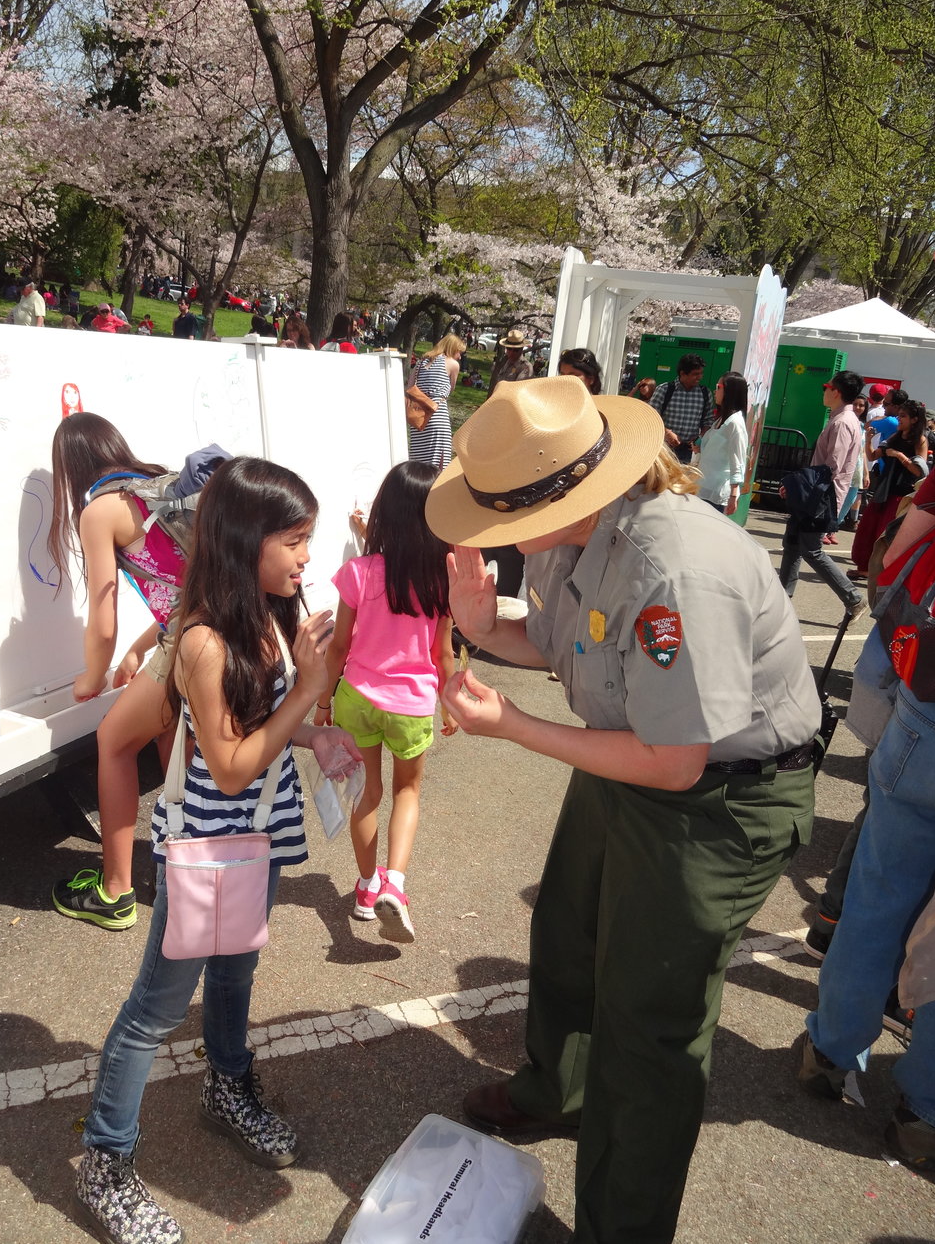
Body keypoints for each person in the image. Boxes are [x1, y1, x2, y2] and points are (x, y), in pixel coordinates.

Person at [426, 377, 819, 1244]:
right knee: (568, 934)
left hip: (721, 798)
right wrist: (485, 624)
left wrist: (515, 726)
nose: (490, 536)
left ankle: (620, 1227)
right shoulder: (572, 532)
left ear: (559, 494)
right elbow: (568, 639)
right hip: (635, 754)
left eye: (498, 518)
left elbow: (674, 763)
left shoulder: (674, 568)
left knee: (648, 1031)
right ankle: (555, 1089)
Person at [74, 457, 361, 1244]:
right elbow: (230, 764)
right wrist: (307, 688)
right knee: (155, 1011)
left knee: (237, 971)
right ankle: (106, 1162)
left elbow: (256, 724)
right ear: (245, 539)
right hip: (208, 845)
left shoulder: (272, 612)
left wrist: (314, 729)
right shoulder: (201, 638)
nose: (308, 554)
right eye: (295, 539)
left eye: (309, 536)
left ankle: (227, 1089)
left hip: (259, 840)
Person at [796, 461, 935, 1169]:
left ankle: (830, 1050)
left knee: (878, 897)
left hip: (930, 711)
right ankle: (926, 1113)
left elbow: (901, 557)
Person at [47, 414, 190, 930]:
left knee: (113, 741)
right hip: (224, 631)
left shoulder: (100, 510)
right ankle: (186, 866)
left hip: (188, 642)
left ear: (71, 467)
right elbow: (186, 590)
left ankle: (114, 891)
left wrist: (92, 676)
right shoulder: (158, 486)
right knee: (173, 741)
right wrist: (137, 650)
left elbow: (100, 623)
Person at [314, 462, 456, 945]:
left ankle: (366, 888)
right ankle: (395, 882)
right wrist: (450, 703)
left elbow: (338, 646)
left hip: (357, 697)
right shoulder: (441, 581)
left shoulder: (358, 573)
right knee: (407, 793)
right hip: (412, 703)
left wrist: (322, 703)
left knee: (366, 793)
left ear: (382, 514)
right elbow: (443, 654)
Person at [779, 369, 867, 621]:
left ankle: (853, 597)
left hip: (820, 498)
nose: (824, 392)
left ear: (836, 392)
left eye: (826, 388)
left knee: (810, 549)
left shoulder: (841, 423)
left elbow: (832, 467)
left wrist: (798, 486)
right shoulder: (843, 419)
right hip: (818, 495)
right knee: (793, 544)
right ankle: (783, 599)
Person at [848, 398, 929, 580]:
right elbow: (872, 454)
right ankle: (866, 568)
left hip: (901, 493)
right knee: (868, 529)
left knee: (885, 534)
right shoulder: (895, 437)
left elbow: (920, 471)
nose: (899, 419)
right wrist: (869, 439)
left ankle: (880, 572)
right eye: (899, 415)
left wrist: (900, 456)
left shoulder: (920, 440)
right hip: (884, 490)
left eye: (903, 416)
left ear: (914, 419)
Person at [407, 334, 464, 470]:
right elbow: (451, 389)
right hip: (437, 416)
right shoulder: (452, 364)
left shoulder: (421, 363)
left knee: (419, 463)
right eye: (459, 352)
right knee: (437, 465)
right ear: (452, 349)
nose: (460, 357)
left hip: (418, 419)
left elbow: (409, 387)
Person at [697, 370, 748, 515]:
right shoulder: (722, 419)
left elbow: (738, 461)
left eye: (718, 387)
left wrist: (733, 495)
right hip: (704, 489)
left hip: (717, 494)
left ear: (729, 392)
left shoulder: (735, 423)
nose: (715, 391)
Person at [651, 354, 714, 463]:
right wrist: (667, 432)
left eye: (701, 373)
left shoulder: (704, 393)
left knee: (684, 480)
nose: (700, 377)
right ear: (682, 373)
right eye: (695, 374)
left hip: (689, 452)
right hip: (664, 449)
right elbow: (650, 417)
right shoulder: (664, 390)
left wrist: (700, 439)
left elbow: (708, 420)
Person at [823, 391, 868, 542]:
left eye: (861, 405)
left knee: (849, 500)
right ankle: (824, 530)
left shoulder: (862, 426)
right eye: (855, 404)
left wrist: (865, 473)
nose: (858, 407)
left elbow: (863, 452)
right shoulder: (842, 420)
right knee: (834, 498)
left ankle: (833, 528)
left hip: (856, 468)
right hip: (842, 468)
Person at [488, 328, 533, 393]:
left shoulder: (525, 367)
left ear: (521, 349)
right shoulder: (504, 362)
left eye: (516, 350)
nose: (511, 353)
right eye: (509, 349)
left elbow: (517, 391)